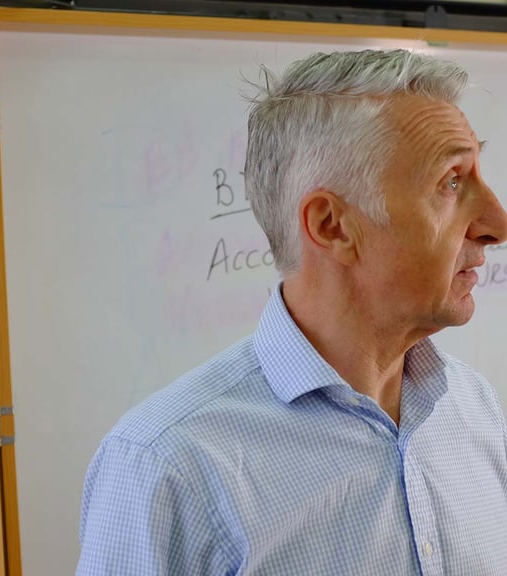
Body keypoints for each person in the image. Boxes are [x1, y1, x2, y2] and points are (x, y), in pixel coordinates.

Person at [76, 49, 507, 575]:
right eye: (451, 182)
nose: (496, 223)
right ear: (332, 226)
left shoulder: (474, 409)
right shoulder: (166, 465)